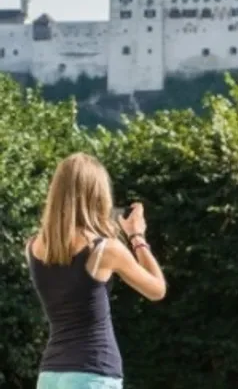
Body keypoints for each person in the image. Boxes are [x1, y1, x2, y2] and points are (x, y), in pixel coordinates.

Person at [25, 152, 167, 389]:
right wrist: (137, 237)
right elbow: (157, 289)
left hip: (50, 375)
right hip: (93, 373)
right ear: (97, 195)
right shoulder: (104, 250)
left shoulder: (33, 247)